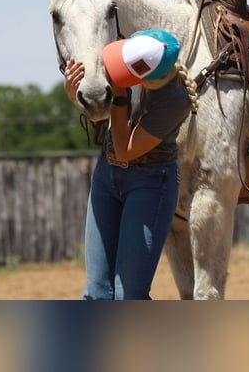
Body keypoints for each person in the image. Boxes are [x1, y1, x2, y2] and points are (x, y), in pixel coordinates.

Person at [63, 29, 198, 300]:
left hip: (150, 183)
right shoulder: (134, 62)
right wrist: (74, 95)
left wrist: (120, 95)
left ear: (151, 79)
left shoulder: (175, 99)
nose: (116, 71)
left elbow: (125, 150)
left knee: (129, 294)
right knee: (96, 291)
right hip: (106, 175)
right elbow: (100, 118)